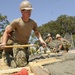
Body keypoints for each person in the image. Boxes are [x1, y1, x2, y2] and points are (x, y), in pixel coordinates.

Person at [0, 0, 46, 67]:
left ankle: (13, 57)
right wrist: (4, 42)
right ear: (22, 11)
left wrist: (41, 40)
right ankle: (7, 56)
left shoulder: (33, 23)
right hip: (18, 45)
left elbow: (37, 33)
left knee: (26, 61)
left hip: (26, 45)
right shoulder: (16, 22)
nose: (29, 12)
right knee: (21, 64)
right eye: (27, 10)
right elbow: (6, 31)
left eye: (30, 10)